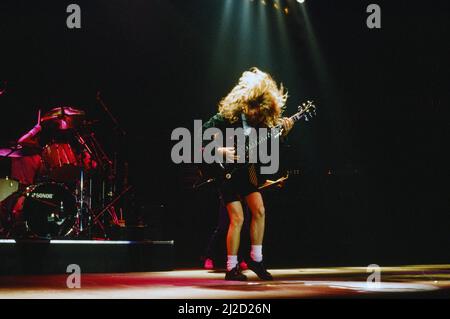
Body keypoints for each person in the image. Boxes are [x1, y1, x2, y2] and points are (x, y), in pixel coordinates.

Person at [202, 67, 293, 281]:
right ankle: (231, 268)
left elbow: (265, 150)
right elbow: (200, 140)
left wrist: (283, 134)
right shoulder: (226, 117)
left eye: (260, 111)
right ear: (245, 103)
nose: (255, 114)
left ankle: (256, 259)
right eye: (253, 109)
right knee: (238, 218)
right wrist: (220, 150)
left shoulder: (259, 123)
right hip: (225, 174)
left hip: (246, 174)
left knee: (259, 210)